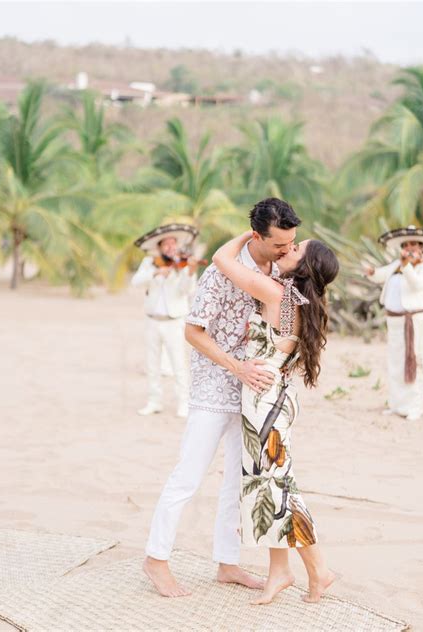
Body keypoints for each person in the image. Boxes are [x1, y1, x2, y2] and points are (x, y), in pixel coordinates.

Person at [143, 198, 301, 598]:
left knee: (238, 479)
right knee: (189, 474)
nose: (287, 250)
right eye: (280, 244)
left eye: (292, 243)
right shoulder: (220, 272)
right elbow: (193, 332)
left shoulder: (282, 274)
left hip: (254, 392)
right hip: (216, 384)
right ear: (256, 237)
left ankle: (227, 563)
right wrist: (236, 367)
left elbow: (286, 328)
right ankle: (156, 559)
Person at [212, 231, 339, 605]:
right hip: (270, 400)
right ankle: (280, 571)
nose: (287, 249)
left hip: (266, 406)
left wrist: (251, 236)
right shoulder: (290, 296)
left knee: (280, 491)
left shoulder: (280, 295)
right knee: (268, 489)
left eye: (295, 248)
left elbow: (222, 259)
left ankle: (319, 570)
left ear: (305, 266)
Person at [364, 225, 423, 421]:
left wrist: (406, 265)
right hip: (394, 321)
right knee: (395, 363)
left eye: (414, 245)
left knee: (416, 361)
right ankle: (396, 405)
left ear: (422, 247)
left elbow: (417, 284)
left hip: (415, 320)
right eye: (406, 245)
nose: (410, 248)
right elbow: (380, 274)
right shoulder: (396, 264)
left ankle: (415, 407)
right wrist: (370, 272)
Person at [131, 230, 199, 418]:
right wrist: (155, 273)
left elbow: (186, 290)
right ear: (159, 247)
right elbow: (135, 282)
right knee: (152, 364)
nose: (171, 247)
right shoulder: (149, 263)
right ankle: (154, 401)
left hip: (173, 321)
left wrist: (190, 272)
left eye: (173, 244)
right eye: (166, 245)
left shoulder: (182, 264)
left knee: (178, 363)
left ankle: (183, 402)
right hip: (152, 319)